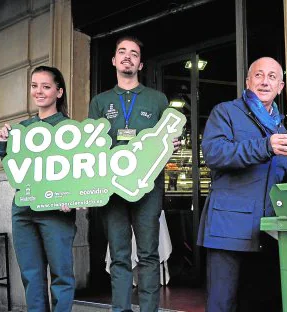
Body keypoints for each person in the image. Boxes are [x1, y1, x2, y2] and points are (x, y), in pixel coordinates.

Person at [197, 57, 287, 311]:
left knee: (260, 303)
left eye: (272, 77)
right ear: (248, 81)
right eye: (259, 75)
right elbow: (214, 153)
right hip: (228, 230)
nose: (265, 82)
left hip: (266, 231)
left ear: (281, 87)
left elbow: (280, 174)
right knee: (223, 304)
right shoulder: (226, 112)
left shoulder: (279, 126)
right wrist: (266, 146)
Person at [88, 36, 179, 312]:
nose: (128, 56)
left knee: (149, 255)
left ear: (140, 63)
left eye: (134, 53)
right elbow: (90, 146)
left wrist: (172, 144)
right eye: (122, 52)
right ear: (114, 60)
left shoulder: (158, 99)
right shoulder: (100, 102)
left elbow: (171, 136)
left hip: (148, 189)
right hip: (112, 190)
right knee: (119, 256)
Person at [0, 66, 77, 311]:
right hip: (23, 211)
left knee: (62, 276)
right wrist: (3, 146)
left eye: (46, 86)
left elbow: (81, 171)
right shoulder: (22, 129)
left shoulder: (71, 129)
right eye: (34, 85)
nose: (38, 91)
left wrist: (71, 196)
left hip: (56, 211)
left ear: (59, 92)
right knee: (31, 276)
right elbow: (15, 169)